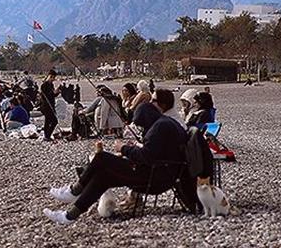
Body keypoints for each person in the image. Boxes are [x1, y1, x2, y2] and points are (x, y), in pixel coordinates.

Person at [43, 90, 188, 224]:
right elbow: (156, 152)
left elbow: (147, 157)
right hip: (161, 174)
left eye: (142, 125)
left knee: (102, 157)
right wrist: (135, 147)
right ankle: (69, 215)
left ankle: (74, 191)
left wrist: (123, 149)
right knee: (102, 176)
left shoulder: (160, 126)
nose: (143, 128)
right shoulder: (166, 123)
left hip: (155, 179)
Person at [39, 70, 59, 141]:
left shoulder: (51, 84)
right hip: (46, 106)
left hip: (51, 105)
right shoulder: (44, 85)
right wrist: (53, 93)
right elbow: (45, 96)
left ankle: (47, 135)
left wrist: (57, 92)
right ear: (50, 76)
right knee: (53, 121)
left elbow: (52, 95)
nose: (54, 79)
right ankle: (47, 135)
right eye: (53, 78)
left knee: (48, 121)